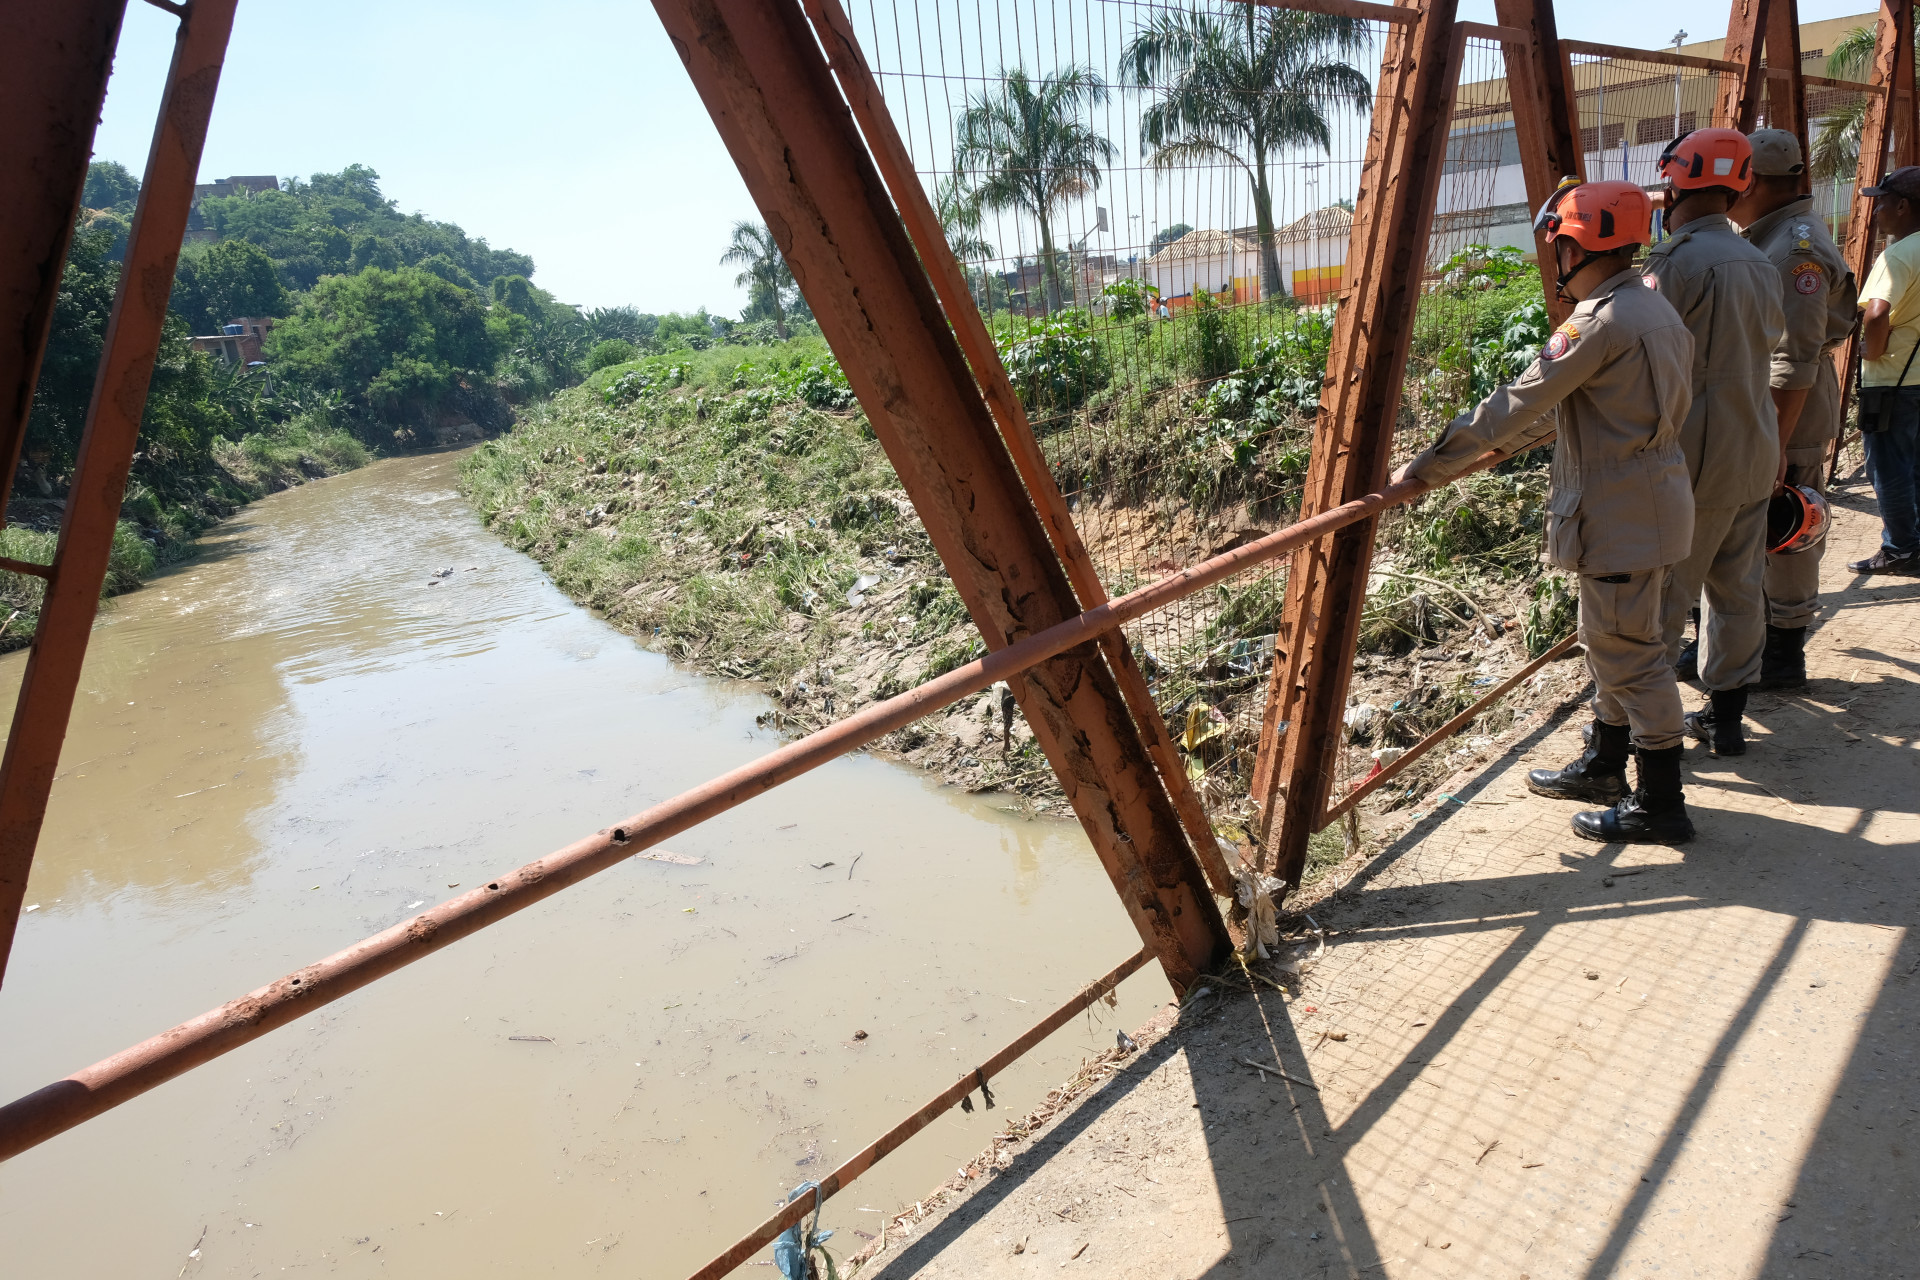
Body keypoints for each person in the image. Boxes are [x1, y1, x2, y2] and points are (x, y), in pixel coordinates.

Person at [1394, 180, 1698, 843]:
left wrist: (1426, 467)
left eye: (1557, 243)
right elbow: (1583, 409)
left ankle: (1662, 804)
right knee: (1615, 643)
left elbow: (1517, 404)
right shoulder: (1653, 311)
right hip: (1653, 501)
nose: (1553, 258)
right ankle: (1606, 764)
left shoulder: (1600, 321)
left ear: (1577, 244)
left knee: (1634, 659)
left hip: (1619, 513)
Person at [1641, 129, 1786, 756]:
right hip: (1754, 444)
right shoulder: (1760, 259)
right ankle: (1726, 719)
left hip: (1693, 460)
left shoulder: (1675, 265)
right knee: (1737, 590)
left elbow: (1641, 355)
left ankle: (1651, 744)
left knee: (1664, 602)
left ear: (1677, 185)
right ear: (1740, 186)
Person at [1730, 129, 1859, 687]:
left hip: (1790, 405)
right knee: (1757, 521)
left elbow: (1796, 357)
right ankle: (1754, 637)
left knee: (1790, 519)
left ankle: (1784, 647)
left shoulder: (1793, 249)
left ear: (1752, 181)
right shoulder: (1776, 233)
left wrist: (1775, 444)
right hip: (1771, 397)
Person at [1852, 165, 1920, 574]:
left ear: (1903, 205)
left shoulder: (1897, 254)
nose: (1876, 211)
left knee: (1888, 468)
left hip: (1892, 380)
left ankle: (1899, 549)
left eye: (1881, 203)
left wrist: (1871, 351)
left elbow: (1877, 314)